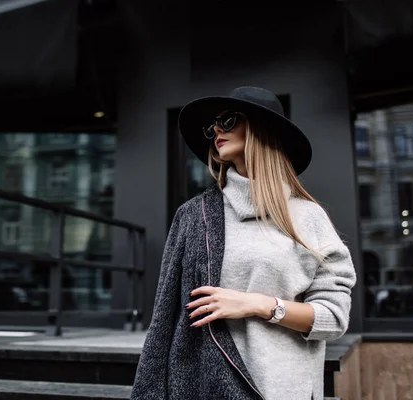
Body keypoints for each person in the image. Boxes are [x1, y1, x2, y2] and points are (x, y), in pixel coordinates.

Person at [130, 87, 357, 400]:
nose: (216, 132)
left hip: (283, 388)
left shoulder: (309, 217)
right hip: (206, 386)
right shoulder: (194, 216)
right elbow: (164, 320)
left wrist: (259, 304)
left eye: (228, 120)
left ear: (264, 128)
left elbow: (334, 318)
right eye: (212, 128)